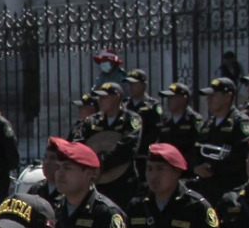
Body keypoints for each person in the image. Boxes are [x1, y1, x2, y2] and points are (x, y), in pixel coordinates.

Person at [71, 81, 143, 211]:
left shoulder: (131, 119)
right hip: (96, 182)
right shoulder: (91, 121)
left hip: (123, 181)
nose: (100, 100)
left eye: (104, 97)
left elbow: (128, 146)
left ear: (117, 97)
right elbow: (77, 144)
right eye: (99, 97)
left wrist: (103, 161)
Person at [194, 77, 249, 196]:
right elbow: (196, 149)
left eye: (213, 96)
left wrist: (213, 168)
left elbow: (241, 155)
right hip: (207, 186)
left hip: (229, 188)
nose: (208, 100)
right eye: (208, 96)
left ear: (227, 97)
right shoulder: (208, 123)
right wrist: (196, 167)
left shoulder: (240, 122)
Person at [152, 82, 205, 172]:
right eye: (168, 98)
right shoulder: (166, 122)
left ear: (183, 99)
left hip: (187, 170)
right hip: (168, 171)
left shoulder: (194, 120)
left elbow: (197, 147)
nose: (168, 101)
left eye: (172, 97)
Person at [126, 68, 163, 153]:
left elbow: (154, 132)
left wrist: (140, 148)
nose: (131, 87)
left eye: (134, 84)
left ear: (144, 85)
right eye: (129, 84)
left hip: (144, 153)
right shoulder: (125, 105)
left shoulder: (153, 106)